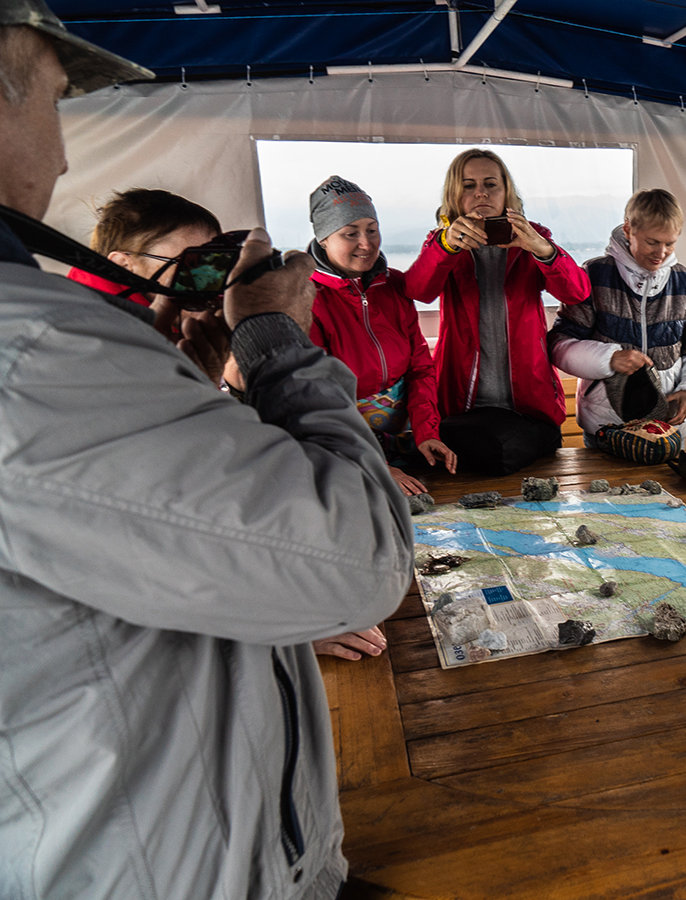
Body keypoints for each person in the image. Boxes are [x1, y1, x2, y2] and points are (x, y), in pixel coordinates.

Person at [0, 5, 413, 897]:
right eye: (55, 100)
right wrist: (274, 338)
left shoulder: (54, 357)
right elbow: (360, 563)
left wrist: (181, 387)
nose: (62, 158)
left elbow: (153, 552)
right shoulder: (35, 355)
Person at [404, 148, 590, 475]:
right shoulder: (442, 242)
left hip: (530, 407)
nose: (481, 193)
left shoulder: (535, 236)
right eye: (469, 185)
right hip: (461, 405)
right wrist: (445, 246)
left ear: (506, 192)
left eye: (491, 184)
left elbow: (576, 293)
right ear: (454, 194)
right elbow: (418, 291)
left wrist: (543, 250)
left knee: (541, 491)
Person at [307, 174, 455, 497]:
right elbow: (318, 396)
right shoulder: (307, 299)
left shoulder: (395, 286)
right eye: (350, 233)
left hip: (405, 437)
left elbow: (420, 369)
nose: (366, 243)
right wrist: (376, 464)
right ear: (323, 239)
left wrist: (427, 432)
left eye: (372, 230)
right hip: (343, 444)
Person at [547, 188, 686, 442]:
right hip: (605, 427)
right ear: (628, 230)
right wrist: (609, 358)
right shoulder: (593, 275)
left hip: (668, 428)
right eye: (652, 242)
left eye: (670, 243)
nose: (661, 253)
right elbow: (559, 345)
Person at [67, 187, 230, 382]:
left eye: (217, 263)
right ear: (122, 267)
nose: (210, 278)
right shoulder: (85, 340)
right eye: (190, 263)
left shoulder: (187, 333)